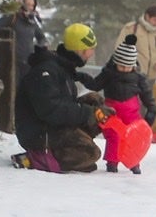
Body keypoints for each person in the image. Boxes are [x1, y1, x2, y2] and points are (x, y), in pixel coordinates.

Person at [11, 22, 113, 173]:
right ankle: (35, 158)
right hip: (37, 133)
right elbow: (51, 110)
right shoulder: (45, 72)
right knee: (91, 154)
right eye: (89, 49)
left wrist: (93, 111)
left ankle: (75, 147)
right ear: (79, 49)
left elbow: (64, 105)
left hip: (52, 125)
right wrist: (88, 113)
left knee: (94, 100)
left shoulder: (63, 67)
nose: (91, 54)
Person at [82, 34, 156, 174]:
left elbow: (147, 96)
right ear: (116, 63)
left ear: (133, 66)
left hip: (132, 114)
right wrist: (83, 77)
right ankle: (112, 163)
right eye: (121, 66)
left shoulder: (138, 78)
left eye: (128, 66)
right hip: (112, 112)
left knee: (133, 138)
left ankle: (134, 163)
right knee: (113, 137)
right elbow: (95, 85)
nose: (124, 69)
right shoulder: (108, 74)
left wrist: (151, 110)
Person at [0, 0, 47, 85]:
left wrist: (38, 48)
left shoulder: (32, 22)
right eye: (28, 4)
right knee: (11, 89)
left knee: (24, 90)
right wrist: (6, 40)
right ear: (22, 3)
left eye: (32, 5)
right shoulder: (12, 17)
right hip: (11, 61)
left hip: (28, 62)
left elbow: (42, 38)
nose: (30, 7)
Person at [113, 5, 156, 81]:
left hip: (152, 78)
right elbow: (119, 49)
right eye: (155, 20)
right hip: (133, 76)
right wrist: (129, 66)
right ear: (147, 16)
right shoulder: (131, 29)